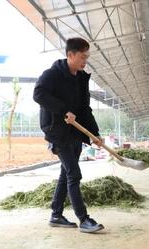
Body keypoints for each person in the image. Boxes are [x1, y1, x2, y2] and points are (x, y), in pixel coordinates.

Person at [33, 37, 104, 233]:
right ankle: (84, 219)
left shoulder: (81, 79)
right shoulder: (52, 75)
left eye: (87, 57)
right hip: (57, 132)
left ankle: (56, 215)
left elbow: (85, 109)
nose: (85, 61)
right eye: (82, 56)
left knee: (66, 173)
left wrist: (95, 135)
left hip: (75, 132)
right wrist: (64, 110)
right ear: (70, 54)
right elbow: (38, 94)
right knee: (74, 174)